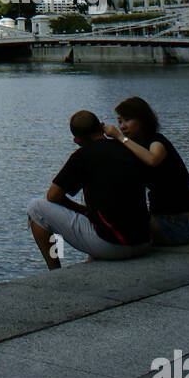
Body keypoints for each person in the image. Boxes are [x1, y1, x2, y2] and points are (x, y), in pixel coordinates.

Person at [27, 109, 151, 268]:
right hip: (144, 241)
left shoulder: (82, 156)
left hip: (113, 246)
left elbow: (52, 196)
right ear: (101, 126)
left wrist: (80, 209)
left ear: (77, 140)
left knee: (36, 208)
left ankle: (55, 270)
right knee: (103, 214)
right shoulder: (127, 148)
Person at [104, 97, 189, 246]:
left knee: (117, 227)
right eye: (120, 122)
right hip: (161, 219)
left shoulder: (157, 142)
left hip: (177, 225)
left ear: (143, 120)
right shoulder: (136, 147)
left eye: (127, 120)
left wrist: (120, 137)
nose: (122, 126)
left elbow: (152, 159)